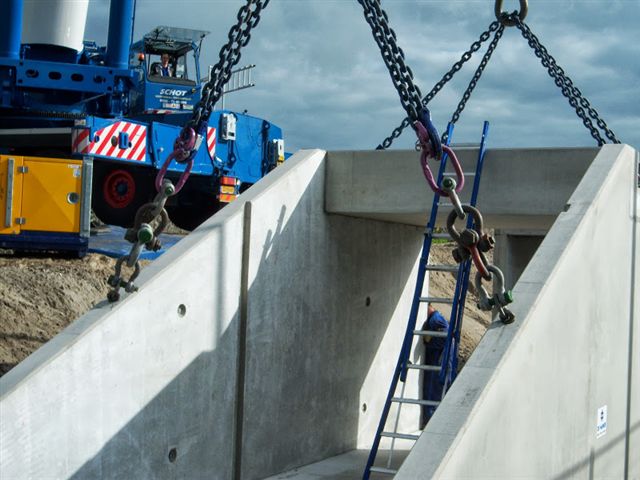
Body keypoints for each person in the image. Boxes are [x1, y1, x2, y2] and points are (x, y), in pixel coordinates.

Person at [420, 304, 450, 429]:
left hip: (438, 361)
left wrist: (428, 342)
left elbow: (444, 338)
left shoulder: (436, 319)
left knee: (435, 392)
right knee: (435, 392)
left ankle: (432, 424)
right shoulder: (435, 319)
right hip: (437, 360)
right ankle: (431, 423)